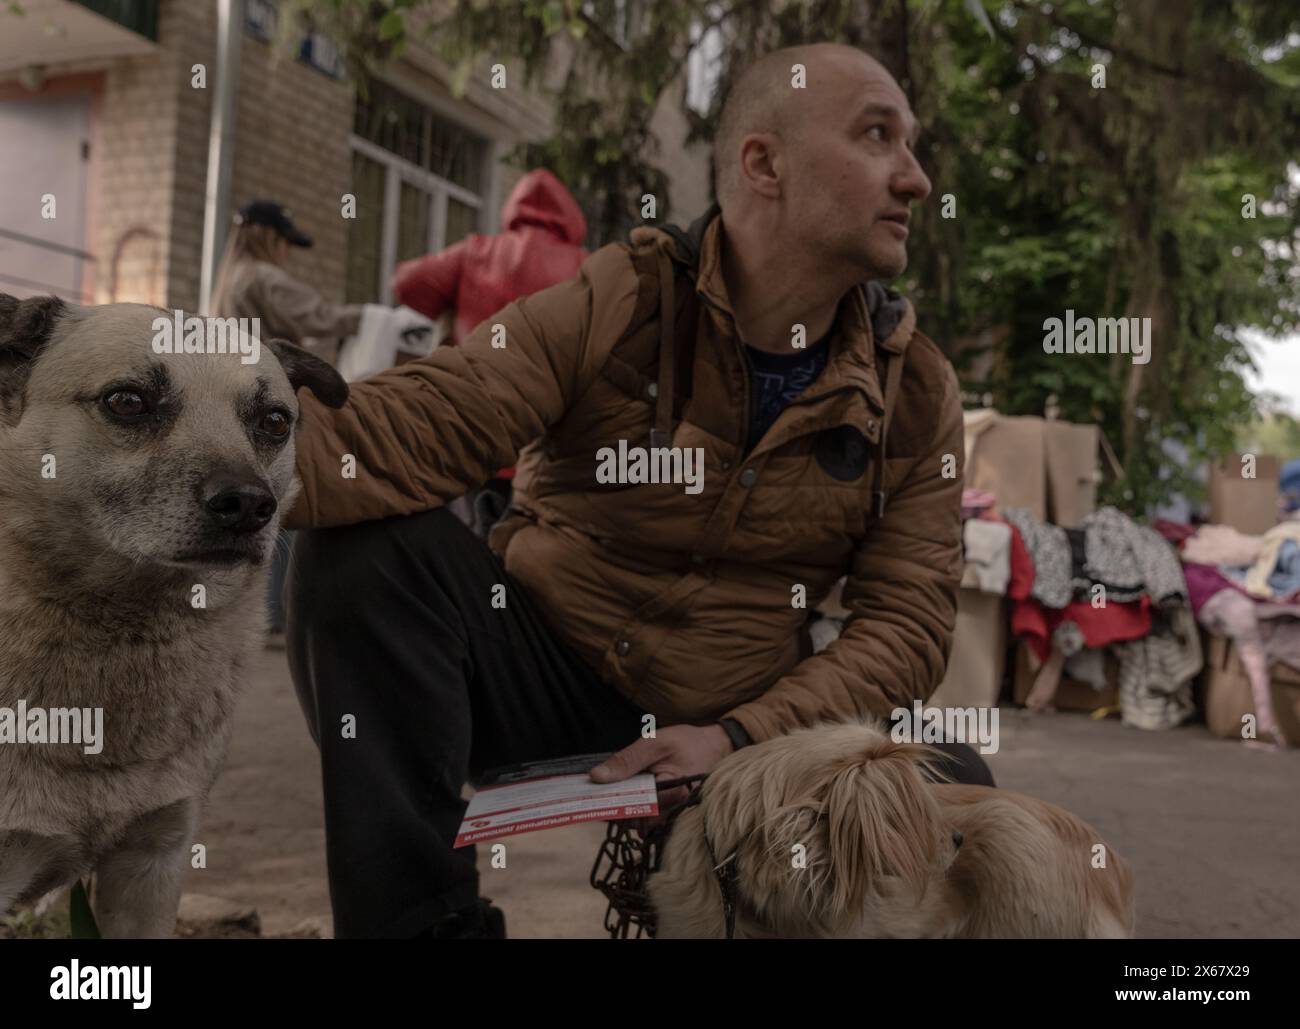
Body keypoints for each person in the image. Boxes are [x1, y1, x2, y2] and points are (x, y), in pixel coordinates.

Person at [283, 43, 985, 939]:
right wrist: (218, 442)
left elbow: (907, 625)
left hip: (738, 714)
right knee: (366, 554)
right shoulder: (624, 295)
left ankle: (729, 905)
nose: (917, 180)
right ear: (763, 163)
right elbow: (435, 415)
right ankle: (424, 929)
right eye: (878, 136)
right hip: (538, 665)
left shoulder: (914, 391)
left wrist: (737, 739)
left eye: (911, 145)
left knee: (948, 788)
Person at [391, 168, 589, 535]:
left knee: (468, 537)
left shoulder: (476, 252)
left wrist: (454, 298)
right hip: (548, 444)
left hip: (475, 434)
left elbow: (406, 284)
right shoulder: (583, 267)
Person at [210, 200, 364, 644]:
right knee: (285, 502)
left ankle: (257, 610)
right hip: (262, 407)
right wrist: (376, 318)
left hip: (229, 405)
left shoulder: (228, 280)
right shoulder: (263, 276)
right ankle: (278, 615)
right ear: (270, 237)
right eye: (286, 243)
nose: (287, 254)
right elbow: (319, 317)